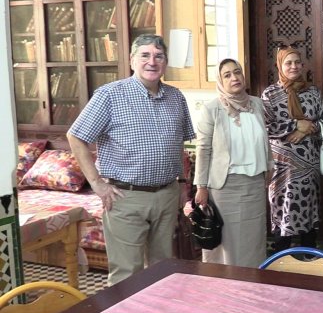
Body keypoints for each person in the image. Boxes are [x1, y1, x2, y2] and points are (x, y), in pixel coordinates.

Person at [67, 34, 195, 285]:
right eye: (145, 55)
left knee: (163, 269)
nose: (152, 62)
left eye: (158, 56)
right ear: (132, 60)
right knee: (126, 274)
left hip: (167, 195)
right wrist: (97, 184)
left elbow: (178, 143)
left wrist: (182, 183)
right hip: (125, 197)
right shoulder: (110, 95)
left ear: (166, 61)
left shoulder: (176, 97)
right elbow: (76, 136)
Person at [194, 58, 272, 267]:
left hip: (254, 184)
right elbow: (203, 148)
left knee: (253, 239)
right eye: (227, 75)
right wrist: (201, 186)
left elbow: (265, 139)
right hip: (225, 186)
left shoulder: (256, 104)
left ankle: (253, 279)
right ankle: (224, 282)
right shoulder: (212, 108)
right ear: (220, 81)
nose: (234, 77)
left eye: (237, 72)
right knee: (226, 242)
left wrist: (270, 165)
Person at [262, 46, 323, 252]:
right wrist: (295, 125)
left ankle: (308, 257)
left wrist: (307, 128)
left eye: (297, 62)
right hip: (282, 170)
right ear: (279, 66)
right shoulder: (270, 94)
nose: (293, 66)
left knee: (308, 213)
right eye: (288, 63)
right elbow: (265, 126)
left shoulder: (313, 92)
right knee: (282, 211)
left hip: (309, 167)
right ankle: (281, 259)